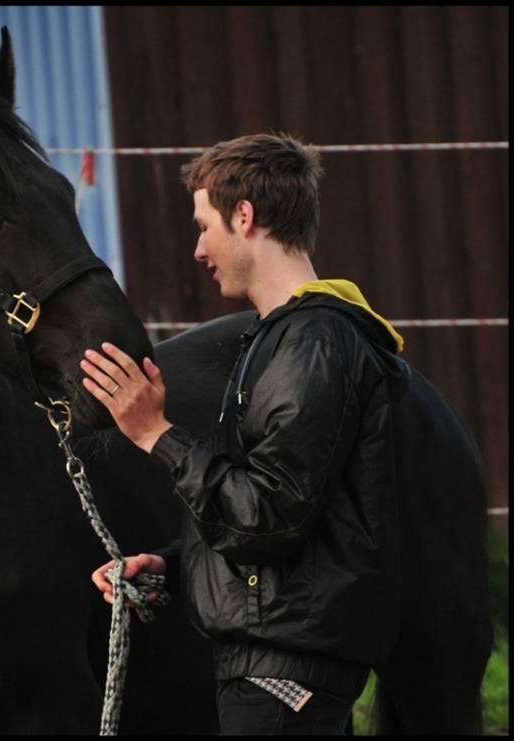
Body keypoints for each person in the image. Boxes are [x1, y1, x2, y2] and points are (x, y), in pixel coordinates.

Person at [80, 132, 406, 735]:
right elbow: (303, 520)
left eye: (204, 227)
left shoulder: (312, 344)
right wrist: (171, 569)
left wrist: (155, 433)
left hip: (282, 678)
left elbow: (267, 516)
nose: (200, 250)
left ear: (245, 216)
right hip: (275, 667)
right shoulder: (286, 340)